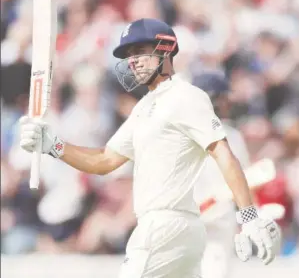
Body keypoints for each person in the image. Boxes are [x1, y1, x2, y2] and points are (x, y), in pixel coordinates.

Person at [19, 18, 280, 278]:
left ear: (165, 49)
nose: (133, 61)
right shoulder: (143, 108)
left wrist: (248, 215)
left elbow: (223, 153)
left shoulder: (186, 96)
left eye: (140, 51)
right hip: (176, 229)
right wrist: (53, 145)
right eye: (129, 55)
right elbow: (105, 161)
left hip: (165, 226)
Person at [191, 70, 251, 278]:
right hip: (188, 222)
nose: (228, 103)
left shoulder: (232, 136)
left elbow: (246, 183)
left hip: (218, 223)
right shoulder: (179, 136)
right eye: (224, 98)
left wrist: (251, 218)